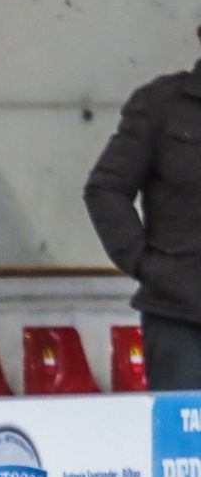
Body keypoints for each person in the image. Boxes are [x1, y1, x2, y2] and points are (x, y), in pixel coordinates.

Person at [83, 24, 201, 389]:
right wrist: (144, 263)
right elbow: (106, 189)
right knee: (184, 445)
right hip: (179, 319)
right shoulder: (160, 105)